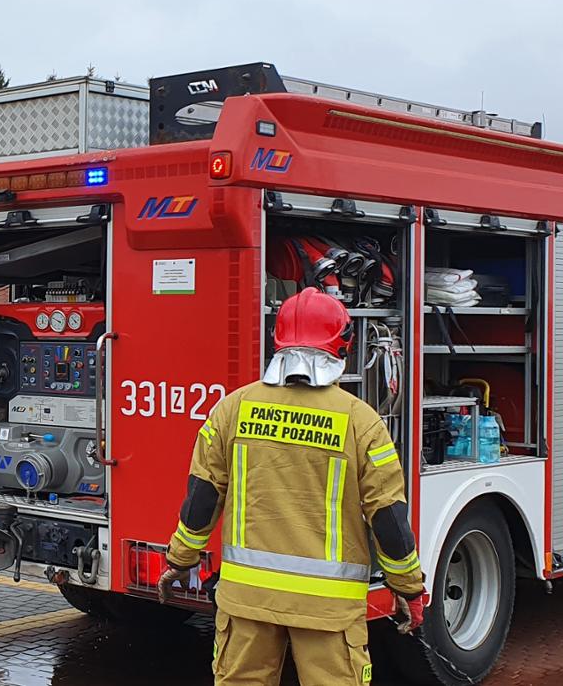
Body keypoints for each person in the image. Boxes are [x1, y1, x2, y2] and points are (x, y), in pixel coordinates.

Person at [162, 287, 427, 685]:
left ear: (277, 339)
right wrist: (408, 589)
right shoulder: (362, 422)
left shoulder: (232, 408)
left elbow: (203, 496)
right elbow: (388, 517)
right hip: (328, 611)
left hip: (246, 601)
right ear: (344, 345)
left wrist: (180, 560)